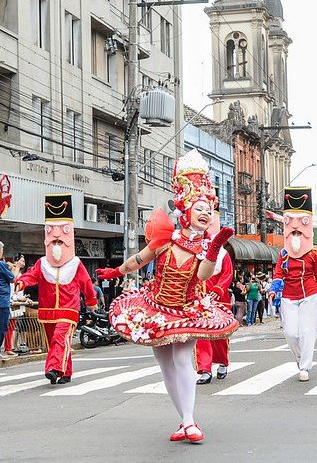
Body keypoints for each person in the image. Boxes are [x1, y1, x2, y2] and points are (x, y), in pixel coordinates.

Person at [97, 149, 238, 444]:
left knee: (183, 358)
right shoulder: (165, 240)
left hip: (187, 309)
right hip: (156, 307)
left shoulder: (206, 247)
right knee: (165, 364)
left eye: (208, 211)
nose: (204, 214)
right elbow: (138, 259)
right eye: (199, 208)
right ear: (185, 211)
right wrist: (115, 272)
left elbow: (203, 276)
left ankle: (189, 420)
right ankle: (184, 420)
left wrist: (212, 250)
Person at [15, 194, 98, 384]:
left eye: (60, 242)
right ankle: (65, 372)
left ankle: (53, 368)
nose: (57, 245)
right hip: (47, 311)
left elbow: (86, 284)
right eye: (54, 242)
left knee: (60, 338)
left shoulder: (76, 264)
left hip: (68, 310)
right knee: (56, 341)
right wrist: (21, 282)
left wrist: (92, 301)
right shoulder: (42, 263)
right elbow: (31, 276)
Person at [270, 187, 317, 382]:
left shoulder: (313, 254)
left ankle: (305, 366)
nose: (295, 234)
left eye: (298, 231)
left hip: (311, 296)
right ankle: (299, 357)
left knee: (307, 333)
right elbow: (278, 274)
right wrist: (273, 290)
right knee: (290, 333)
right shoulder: (283, 254)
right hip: (289, 296)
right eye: (292, 231)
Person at [196, 199, 235, 384]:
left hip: (219, 299)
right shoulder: (191, 248)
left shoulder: (223, 254)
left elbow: (227, 274)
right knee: (201, 335)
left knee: (219, 335)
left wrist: (218, 290)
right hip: (197, 300)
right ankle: (204, 368)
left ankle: (223, 362)